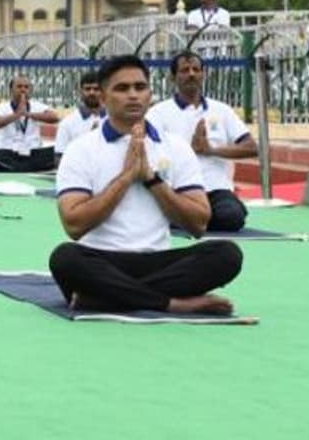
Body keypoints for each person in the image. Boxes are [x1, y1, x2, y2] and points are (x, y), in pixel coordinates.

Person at [50, 55, 244, 315]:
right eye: (122, 88)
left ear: (150, 95)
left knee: (226, 254)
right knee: (65, 258)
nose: (133, 95)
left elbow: (198, 224)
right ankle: (171, 303)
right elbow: (74, 225)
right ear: (104, 98)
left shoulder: (175, 147)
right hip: (101, 259)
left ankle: (109, 299)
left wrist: (152, 180)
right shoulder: (82, 149)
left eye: (140, 87)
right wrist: (126, 177)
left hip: (159, 261)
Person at [146, 52, 257, 232]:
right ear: (173, 77)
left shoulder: (222, 110)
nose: (191, 74)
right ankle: (189, 218)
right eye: (185, 70)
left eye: (196, 70)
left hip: (215, 189)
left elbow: (251, 148)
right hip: (176, 188)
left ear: (203, 74)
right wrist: (186, 151)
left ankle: (190, 220)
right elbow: (149, 149)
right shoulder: (158, 113)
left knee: (232, 217)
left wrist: (210, 150)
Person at [0, 76, 60, 172]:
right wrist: (16, 115)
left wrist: (28, 114)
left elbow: (54, 117)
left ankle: (19, 168)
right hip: (10, 152)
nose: (23, 90)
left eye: (26, 87)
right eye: (19, 86)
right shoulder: (2, 107)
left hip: (33, 152)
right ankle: (26, 168)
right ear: (11, 90)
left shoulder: (36, 105)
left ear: (30, 90)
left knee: (57, 151)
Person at [55, 71, 106, 159]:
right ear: (80, 92)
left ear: (104, 91)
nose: (92, 92)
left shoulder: (115, 120)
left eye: (96, 89)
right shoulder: (67, 123)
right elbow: (60, 156)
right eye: (87, 89)